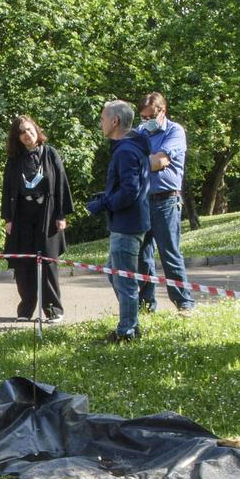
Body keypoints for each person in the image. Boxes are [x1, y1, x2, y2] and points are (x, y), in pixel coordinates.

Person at [86, 101, 150, 343]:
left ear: (115, 122)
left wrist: (104, 203)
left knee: (124, 280)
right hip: (128, 222)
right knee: (116, 275)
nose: (101, 123)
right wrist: (106, 197)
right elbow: (127, 187)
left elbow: (130, 191)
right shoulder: (130, 147)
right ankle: (131, 324)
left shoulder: (125, 151)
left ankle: (127, 331)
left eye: (103, 118)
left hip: (127, 224)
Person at [0, 114, 72, 322]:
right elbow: (7, 190)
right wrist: (8, 219)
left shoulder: (50, 154)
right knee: (23, 265)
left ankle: (53, 310)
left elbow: (61, 185)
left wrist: (61, 214)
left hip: (47, 215)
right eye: (21, 132)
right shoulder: (14, 161)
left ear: (36, 130)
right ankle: (25, 311)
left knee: (48, 263)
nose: (26, 135)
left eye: (29, 130)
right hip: (21, 215)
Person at [134, 91, 193, 313]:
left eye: (151, 116)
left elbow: (160, 161)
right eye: (143, 117)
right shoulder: (140, 133)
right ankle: (147, 304)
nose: (147, 122)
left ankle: (184, 303)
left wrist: (135, 163)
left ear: (162, 111)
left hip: (166, 200)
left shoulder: (174, 131)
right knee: (142, 254)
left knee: (170, 252)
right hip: (142, 200)